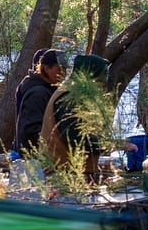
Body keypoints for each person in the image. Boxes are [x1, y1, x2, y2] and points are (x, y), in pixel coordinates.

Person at [40, 53, 115, 181]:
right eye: (100, 79)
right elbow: (75, 138)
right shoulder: (69, 97)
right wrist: (113, 144)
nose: (102, 85)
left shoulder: (73, 92)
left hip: (74, 171)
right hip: (66, 173)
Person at [13, 48, 68, 156]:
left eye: (65, 70)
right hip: (35, 161)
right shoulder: (38, 94)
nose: (64, 74)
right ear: (47, 68)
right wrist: (57, 147)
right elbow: (31, 130)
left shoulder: (47, 90)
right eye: (60, 69)